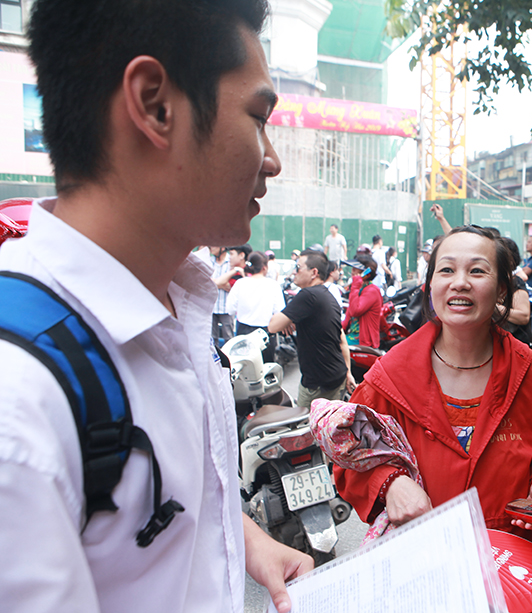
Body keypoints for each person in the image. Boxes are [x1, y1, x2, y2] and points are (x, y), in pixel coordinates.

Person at [0, 1, 313, 612]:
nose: (271, 158)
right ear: (153, 105)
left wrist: (242, 540)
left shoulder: (176, 308)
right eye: (257, 117)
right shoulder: (20, 410)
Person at [333, 225, 532, 538]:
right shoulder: (389, 377)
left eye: (477, 271)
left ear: (502, 289)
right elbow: (348, 457)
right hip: (420, 560)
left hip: (508, 560)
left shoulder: (528, 372)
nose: (460, 283)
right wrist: (389, 482)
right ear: (430, 284)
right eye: (447, 270)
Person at [269, 251, 356, 407]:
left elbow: (273, 326)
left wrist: (287, 317)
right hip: (336, 376)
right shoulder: (328, 296)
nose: (295, 272)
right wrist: (348, 372)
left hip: (319, 384)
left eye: (299, 267)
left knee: (307, 426)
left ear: (314, 272)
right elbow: (341, 340)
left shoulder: (307, 295)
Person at [227, 251, 285, 364]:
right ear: (264, 267)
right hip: (265, 334)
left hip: (243, 332)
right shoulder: (273, 285)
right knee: (265, 369)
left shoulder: (240, 283)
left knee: (244, 370)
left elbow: (230, 309)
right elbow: (280, 311)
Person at [499, 238, 532, 351]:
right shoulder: (494, 283)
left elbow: (523, 316)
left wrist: (494, 307)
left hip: (517, 349)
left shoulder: (515, 283)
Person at [343, 253, 383, 348]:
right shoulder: (359, 290)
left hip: (362, 341)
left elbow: (355, 311)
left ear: (366, 272)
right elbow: (347, 318)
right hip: (352, 337)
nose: (352, 271)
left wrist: (355, 285)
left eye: (356, 268)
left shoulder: (372, 290)